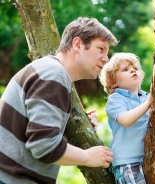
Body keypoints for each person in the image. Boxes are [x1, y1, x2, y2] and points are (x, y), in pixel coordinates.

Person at [0, 17, 118, 184]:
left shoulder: (48, 71)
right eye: (101, 49)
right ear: (77, 44)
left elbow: (35, 135)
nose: (106, 59)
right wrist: (87, 156)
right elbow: (43, 146)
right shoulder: (53, 75)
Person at [99, 53, 152, 184]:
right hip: (127, 160)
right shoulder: (116, 99)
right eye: (125, 69)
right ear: (113, 82)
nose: (133, 70)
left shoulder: (146, 97)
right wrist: (149, 103)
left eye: (135, 68)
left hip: (149, 158)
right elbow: (125, 120)